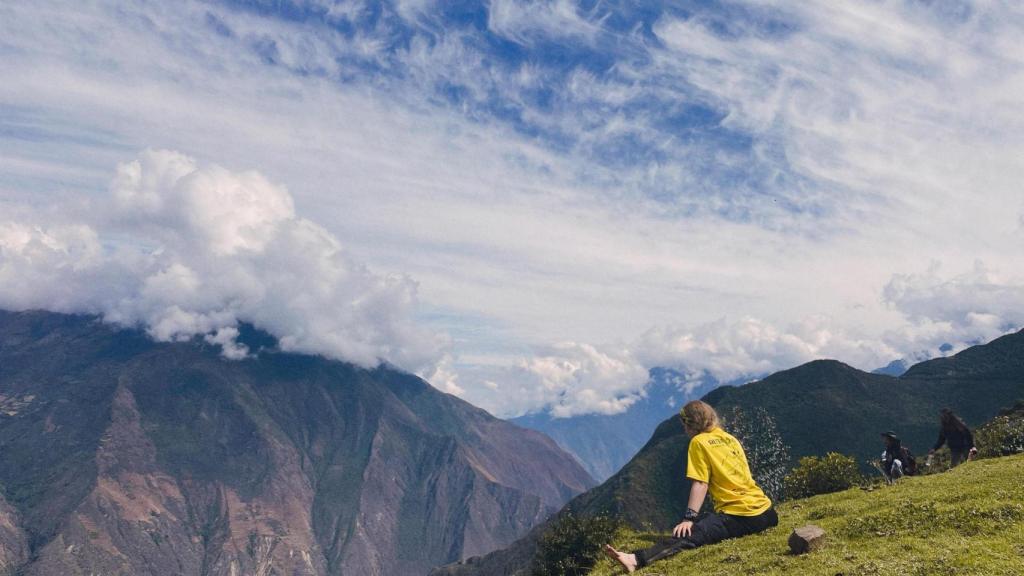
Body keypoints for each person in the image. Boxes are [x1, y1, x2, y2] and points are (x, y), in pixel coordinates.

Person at [603, 400, 778, 573]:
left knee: (692, 534)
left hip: (743, 515)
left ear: (689, 424)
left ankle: (635, 559)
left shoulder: (699, 442)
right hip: (767, 512)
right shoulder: (730, 439)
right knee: (709, 521)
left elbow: (701, 483)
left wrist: (688, 519)